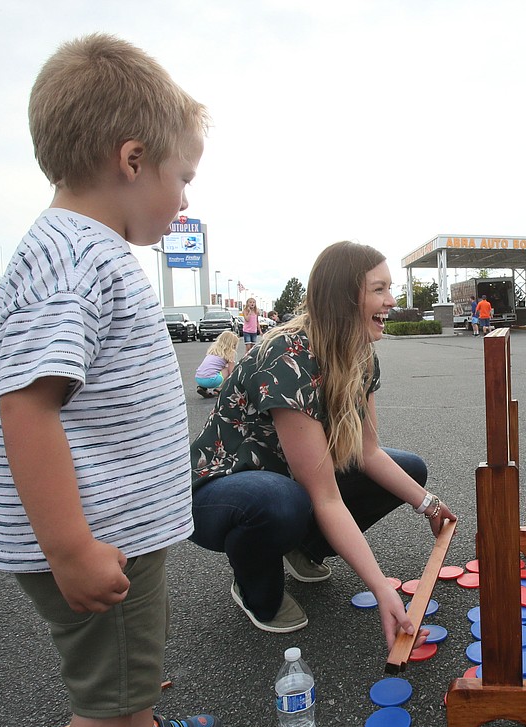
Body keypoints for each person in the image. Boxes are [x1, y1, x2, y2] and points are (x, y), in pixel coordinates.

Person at [0, 34, 220, 727]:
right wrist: (70, 549)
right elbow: (28, 407)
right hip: (97, 536)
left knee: (127, 675)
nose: (185, 199)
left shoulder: (82, 249)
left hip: (114, 527)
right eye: (182, 177)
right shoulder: (77, 258)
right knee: (107, 703)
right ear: (132, 159)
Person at [189, 241, 458, 646]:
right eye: (379, 289)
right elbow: (326, 497)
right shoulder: (287, 355)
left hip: (288, 480)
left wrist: (429, 503)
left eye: (390, 289)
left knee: (410, 469)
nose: (391, 300)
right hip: (223, 488)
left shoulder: (361, 356)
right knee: (282, 502)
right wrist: (382, 588)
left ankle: (298, 545)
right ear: (343, 297)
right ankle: (255, 588)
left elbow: (368, 453)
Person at [194, 330, 239, 397]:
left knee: (212, 369)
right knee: (227, 369)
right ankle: (219, 389)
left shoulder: (213, 350)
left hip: (198, 378)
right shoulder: (230, 353)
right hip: (211, 381)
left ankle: (203, 387)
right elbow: (231, 372)